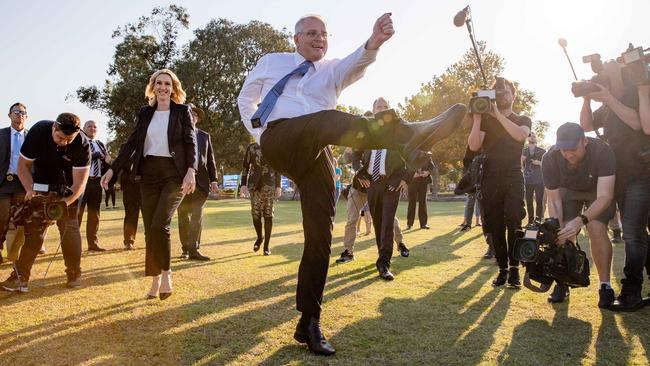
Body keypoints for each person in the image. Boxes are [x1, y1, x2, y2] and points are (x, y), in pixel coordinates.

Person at [237, 13, 466, 355]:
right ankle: (408, 135)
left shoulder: (330, 70)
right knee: (327, 120)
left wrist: (374, 42)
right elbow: (246, 98)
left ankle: (309, 323)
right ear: (296, 39)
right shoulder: (273, 62)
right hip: (281, 137)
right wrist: (260, 133)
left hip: (317, 151)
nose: (319, 38)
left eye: (324, 34)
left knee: (320, 237)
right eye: (311, 33)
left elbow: (355, 62)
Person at [102, 68, 197, 301]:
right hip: (148, 176)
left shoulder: (182, 111)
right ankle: (154, 281)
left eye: (167, 84)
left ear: (173, 88)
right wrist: (113, 169)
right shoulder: (145, 113)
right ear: (153, 87)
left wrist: (191, 172)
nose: (163, 87)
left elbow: (191, 143)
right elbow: (131, 143)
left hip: (174, 176)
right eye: (159, 83)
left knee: (159, 225)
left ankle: (166, 274)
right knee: (150, 230)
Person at [580, 62, 650, 311]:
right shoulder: (607, 105)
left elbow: (637, 123)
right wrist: (587, 99)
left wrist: (608, 97)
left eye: (606, 71)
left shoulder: (635, 93)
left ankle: (632, 291)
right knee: (637, 233)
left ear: (620, 72)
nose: (600, 76)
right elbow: (586, 125)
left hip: (641, 174)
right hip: (618, 177)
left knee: (632, 233)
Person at [0, 113, 90, 292]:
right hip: (41, 183)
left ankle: (74, 273)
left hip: (69, 188)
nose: (63, 143)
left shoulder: (82, 143)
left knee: (69, 227)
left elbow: (80, 182)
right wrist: (29, 190)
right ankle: (20, 278)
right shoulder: (38, 132)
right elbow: (23, 166)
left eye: (68, 140)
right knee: (33, 230)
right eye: (60, 137)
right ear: (53, 128)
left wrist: (65, 202)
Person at [541, 123, 616, 307]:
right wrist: (558, 230)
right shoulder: (550, 157)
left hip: (596, 192)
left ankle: (605, 286)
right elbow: (553, 200)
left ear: (585, 141)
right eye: (563, 150)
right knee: (564, 229)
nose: (568, 154)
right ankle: (563, 281)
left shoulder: (603, 151)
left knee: (595, 227)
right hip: (569, 190)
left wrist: (581, 220)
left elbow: (605, 196)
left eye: (573, 149)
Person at [468, 77, 531, 288]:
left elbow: (520, 136)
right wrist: (477, 119)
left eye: (506, 92)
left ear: (514, 96)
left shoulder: (522, 118)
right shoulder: (486, 121)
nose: (503, 96)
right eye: (499, 93)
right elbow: (474, 145)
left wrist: (496, 114)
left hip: (513, 176)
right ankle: (502, 269)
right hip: (490, 177)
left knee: (514, 221)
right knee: (494, 225)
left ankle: (514, 269)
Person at [336, 99, 410, 266]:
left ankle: (400, 243)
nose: (382, 110)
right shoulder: (364, 129)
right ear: (373, 109)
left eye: (385, 107)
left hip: (382, 186)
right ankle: (348, 251)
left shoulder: (395, 132)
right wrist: (359, 171)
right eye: (379, 107)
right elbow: (354, 156)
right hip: (361, 185)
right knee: (352, 218)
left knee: (389, 220)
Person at [177, 104, 217, 261]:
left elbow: (211, 161)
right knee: (182, 216)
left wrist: (214, 180)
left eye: (194, 115)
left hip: (201, 183)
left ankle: (194, 248)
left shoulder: (205, 136)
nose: (192, 116)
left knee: (197, 215)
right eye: (189, 114)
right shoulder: (178, 134)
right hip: (183, 182)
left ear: (198, 119)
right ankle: (185, 248)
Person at [240, 142, 281, 256]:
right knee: (256, 214)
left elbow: (278, 167)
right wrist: (243, 185)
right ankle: (259, 237)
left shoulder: (273, 144)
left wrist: (278, 186)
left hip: (270, 184)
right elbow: (245, 167)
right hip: (255, 185)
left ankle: (266, 246)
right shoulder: (252, 147)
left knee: (268, 214)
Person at [0, 103, 28, 265]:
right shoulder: (1, 135)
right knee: (2, 218)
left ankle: (15, 253)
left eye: (23, 113)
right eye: (16, 112)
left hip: (22, 184)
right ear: (9, 115)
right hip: (3, 183)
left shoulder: (31, 137)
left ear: (26, 116)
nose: (20, 115)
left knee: (19, 219)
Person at [77, 120, 110, 252]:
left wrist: (108, 160)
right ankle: (74, 243)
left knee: (94, 214)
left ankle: (93, 243)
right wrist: (97, 156)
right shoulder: (79, 142)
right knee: (77, 214)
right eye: (89, 126)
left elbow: (107, 160)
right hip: (82, 182)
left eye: (95, 126)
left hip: (96, 183)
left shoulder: (100, 144)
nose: (92, 128)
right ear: (83, 128)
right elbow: (80, 156)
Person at [521, 132, 546, 223]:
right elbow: (520, 167)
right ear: (528, 139)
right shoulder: (523, 151)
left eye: (534, 136)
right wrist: (521, 160)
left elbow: (547, 165)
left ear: (536, 139)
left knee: (539, 201)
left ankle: (538, 221)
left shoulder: (542, 151)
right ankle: (530, 221)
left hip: (540, 180)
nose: (532, 137)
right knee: (529, 201)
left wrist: (539, 163)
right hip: (527, 180)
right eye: (530, 136)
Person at [406, 159, 434, 230]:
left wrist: (427, 172)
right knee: (412, 202)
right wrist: (412, 174)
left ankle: (423, 224)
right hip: (412, 181)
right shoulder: (411, 154)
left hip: (424, 181)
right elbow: (406, 166)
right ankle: (409, 224)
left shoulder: (427, 154)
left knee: (423, 202)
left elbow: (431, 166)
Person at [120, 163, 140, 251]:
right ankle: (128, 241)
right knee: (130, 214)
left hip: (146, 183)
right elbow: (120, 162)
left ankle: (151, 240)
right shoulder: (126, 149)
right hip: (129, 185)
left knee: (149, 213)